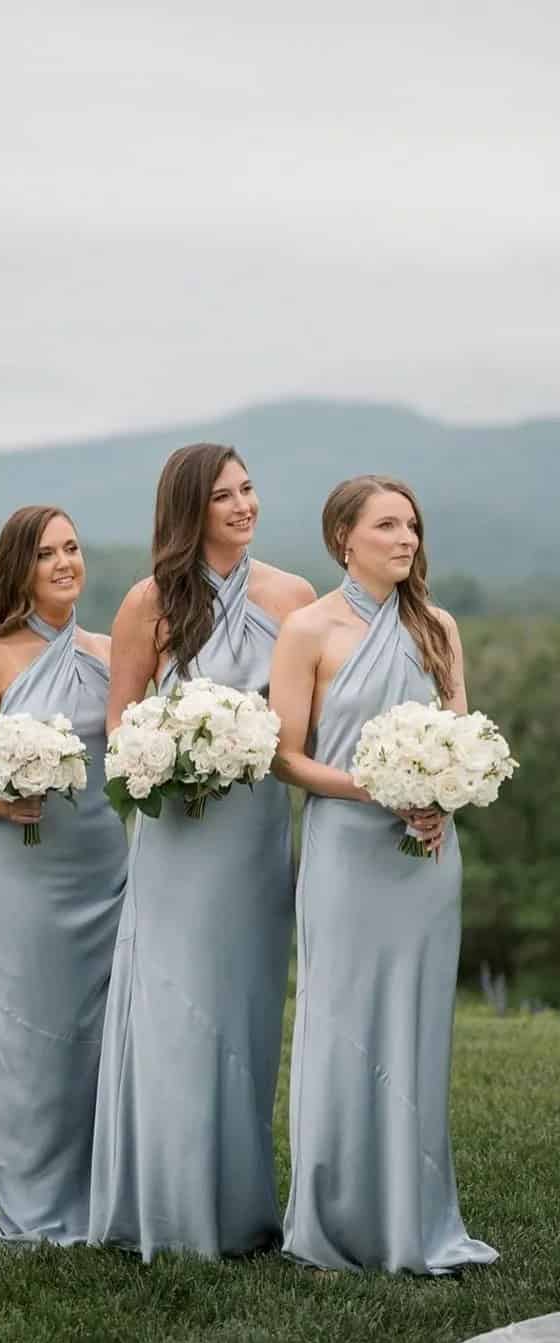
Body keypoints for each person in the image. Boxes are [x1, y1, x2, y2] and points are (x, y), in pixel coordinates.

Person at [88, 443, 314, 1260]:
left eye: (250, 489)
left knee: (245, 1010)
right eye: (225, 496)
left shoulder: (293, 596)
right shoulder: (148, 601)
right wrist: (172, 750)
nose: (245, 506)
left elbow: (306, 720)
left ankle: (242, 1208)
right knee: (177, 1007)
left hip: (256, 828)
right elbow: (118, 725)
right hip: (178, 830)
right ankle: (170, 1205)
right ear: (192, 510)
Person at [269, 474, 498, 1274]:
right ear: (345, 538)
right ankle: (334, 1218)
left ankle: (416, 1213)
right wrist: (374, 787)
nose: (407, 540)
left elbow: (461, 733)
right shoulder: (306, 630)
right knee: (340, 1021)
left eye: (413, 527)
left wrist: (442, 799)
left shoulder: (437, 625)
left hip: (427, 858)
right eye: (389, 526)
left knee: (416, 1026)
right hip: (345, 851)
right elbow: (283, 755)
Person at [0, 506, 127, 1245]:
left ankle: (101, 1185)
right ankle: (30, 1197)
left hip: (105, 862)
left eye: (73, 548)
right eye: (47, 553)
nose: (64, 563)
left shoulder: (113, 652)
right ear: (19, 568)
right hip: (24, 869)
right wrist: (1, 800)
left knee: (98, 1032)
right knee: (30, 1033)